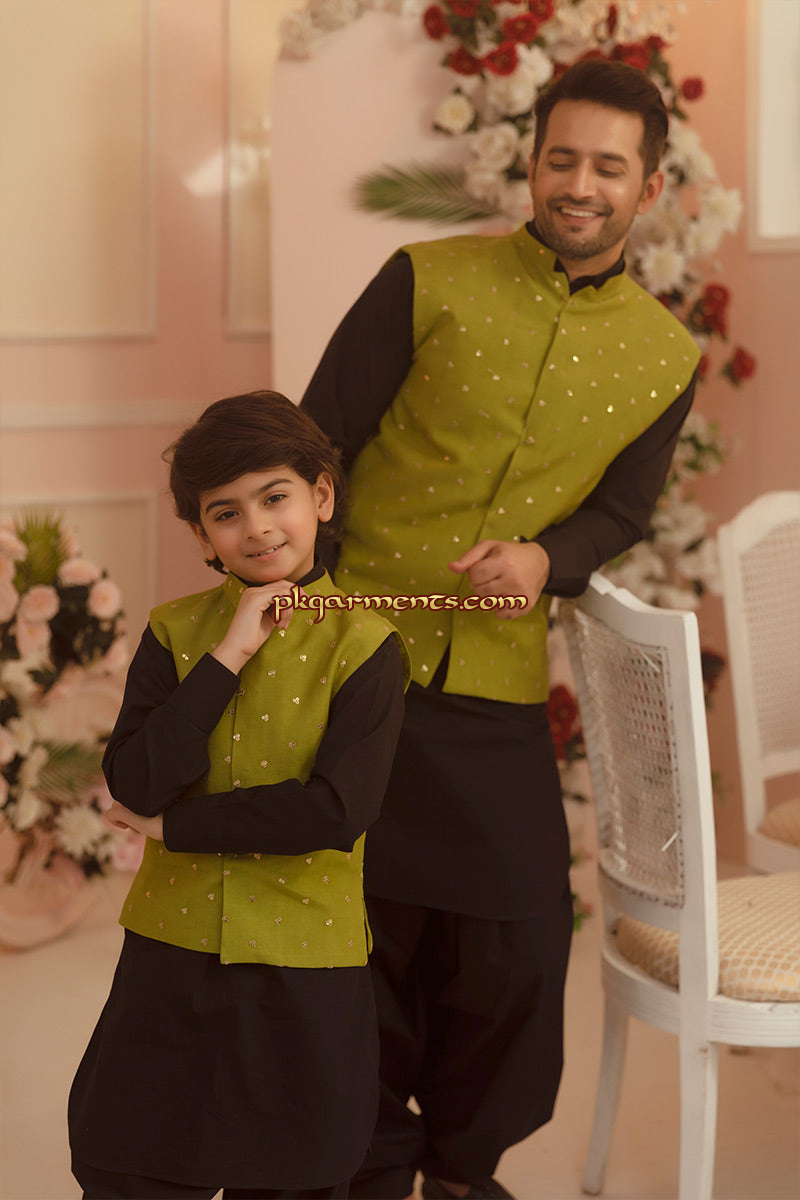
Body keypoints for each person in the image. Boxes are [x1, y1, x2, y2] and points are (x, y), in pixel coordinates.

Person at [300, 59, 700, 1200]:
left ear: (648, 187)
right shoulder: (423, 279)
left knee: (519, 942)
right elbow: (317, 442)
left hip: (493, 677)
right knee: (362, 929)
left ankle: (462, 1168)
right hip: (355, 659)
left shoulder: (665, 358)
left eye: (607, 167)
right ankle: (373, 1160)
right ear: (529, 164)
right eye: (560, 158)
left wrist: (545, 560)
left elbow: (621, 510)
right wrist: (305, 627)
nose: (579, 184)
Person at [68, 391, 409, 1200]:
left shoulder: (368, 647)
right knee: (129, 1162)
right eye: (226, 513)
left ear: (320, 496)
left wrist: (177, 827)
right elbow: (135, 779)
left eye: (274, 497)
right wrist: (227, 656)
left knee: (294, 1171)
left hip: (305, 961)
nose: (256, 528)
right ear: (201, 535)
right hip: (172, 951)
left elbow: (336, 811)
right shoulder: (174, 632)